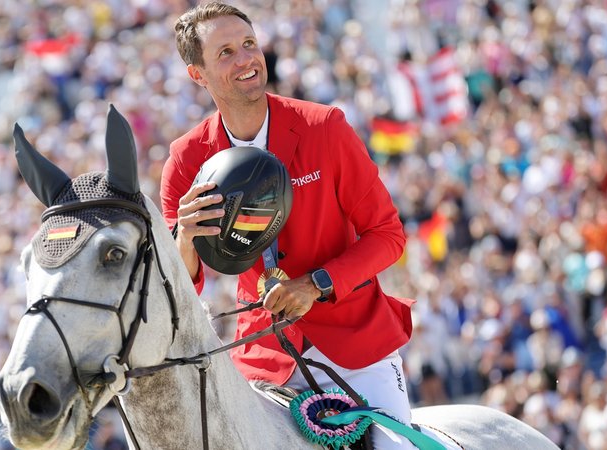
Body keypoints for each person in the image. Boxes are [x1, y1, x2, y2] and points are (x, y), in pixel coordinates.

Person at [160, 3, 415, 448]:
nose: (245, 59)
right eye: (225, 53)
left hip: (356, 344)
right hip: (263, 358)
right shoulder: (185, 158)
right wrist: (183, 237)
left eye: (248, 44)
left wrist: (316, 283)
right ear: (197, 74)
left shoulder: (325, 127)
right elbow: (178, 287)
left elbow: (388, 236)